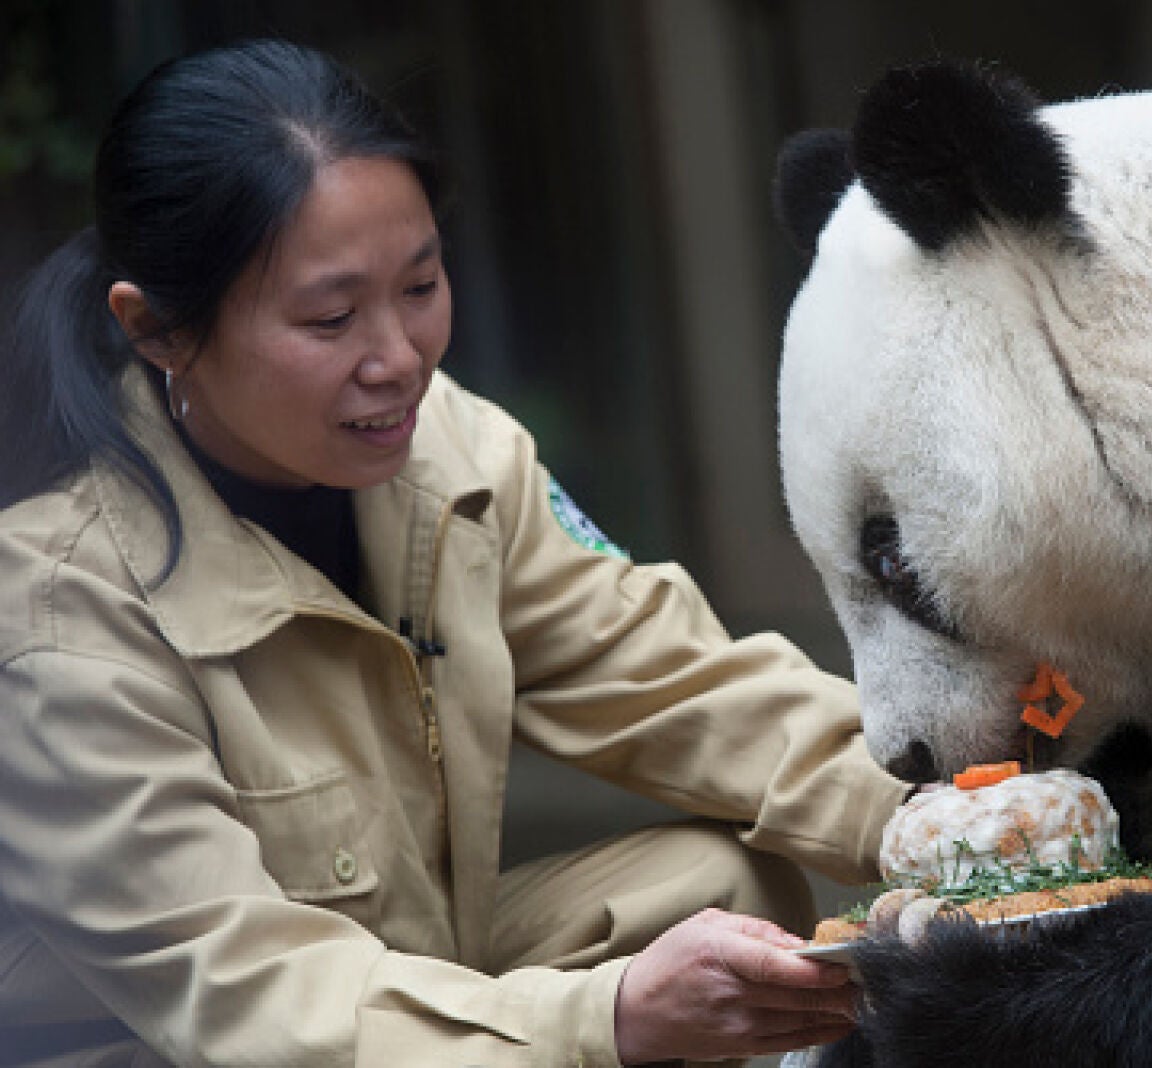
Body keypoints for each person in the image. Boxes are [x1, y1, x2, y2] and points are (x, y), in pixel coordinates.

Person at [0, 38, 907, 1067]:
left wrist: (951, 819)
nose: (397, 360)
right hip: (188, 1037)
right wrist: (602, 1020)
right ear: (158, 329)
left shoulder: (454, 453)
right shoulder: (55, 610)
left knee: (718, 893)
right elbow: (242, 983)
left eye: (421, 286)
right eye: (331, 316)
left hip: (413, 963)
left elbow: (677, 683)